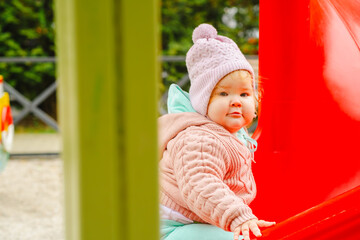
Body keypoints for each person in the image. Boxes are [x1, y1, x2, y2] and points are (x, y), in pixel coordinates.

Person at [159, 23, 275, 240]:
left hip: (191, 219)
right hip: (169, 227)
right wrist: (237, 215)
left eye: (244, 94)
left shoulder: (230, 134)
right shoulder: (199, 139)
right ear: (204, 102)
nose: (236, 102)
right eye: (223, 94)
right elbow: (201, 184)